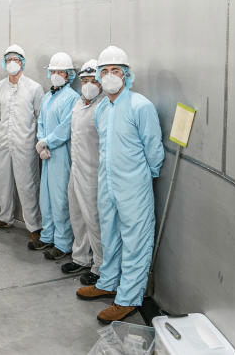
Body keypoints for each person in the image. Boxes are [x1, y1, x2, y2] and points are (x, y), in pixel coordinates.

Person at [77, 46, 164, 325]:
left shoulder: (141, 105)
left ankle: (127, 299)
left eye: (116, 71)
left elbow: (154, 150)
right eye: (105, 72)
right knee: (110, 236)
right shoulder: (102, 108)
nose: (110, 76)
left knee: (136, 240)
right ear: (99, 78)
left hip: (134, 186)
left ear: (126, 75)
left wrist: (141, 179)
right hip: (108, 184)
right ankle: (108, 281)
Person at [0, 45, 45, 251]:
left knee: (27, 184)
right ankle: (4, 216)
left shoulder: (34, 88)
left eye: (17, 59)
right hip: (5, 141)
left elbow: (40, 117)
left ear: (23, 62)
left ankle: (34, 225)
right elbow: (1, 112)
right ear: (4, 62)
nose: (13, 62)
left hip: (25, 143)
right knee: (4, 180)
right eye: (9, 59)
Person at [61, 59, 106, 284]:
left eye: (93, 80)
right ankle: (81, 258)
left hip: (94, 173)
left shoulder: (104, 106)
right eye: (85, 80)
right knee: (77, 215)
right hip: (76, 168)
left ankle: (99, 266)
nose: (88, 85)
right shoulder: (79, 104)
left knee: (94, 220)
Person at [36, 52, 80, 261]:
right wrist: (40, 141)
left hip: (61, 154)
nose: (56, 75)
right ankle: (48, 235)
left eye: (60, 71)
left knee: (60, 198)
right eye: (53, 71)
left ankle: (63, 243)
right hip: (46, 154)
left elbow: (66, 128)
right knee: (46, 197)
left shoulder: (72, 98)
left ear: (69, 74)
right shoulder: (47, 96)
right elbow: (41, 122)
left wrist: (48, 142)